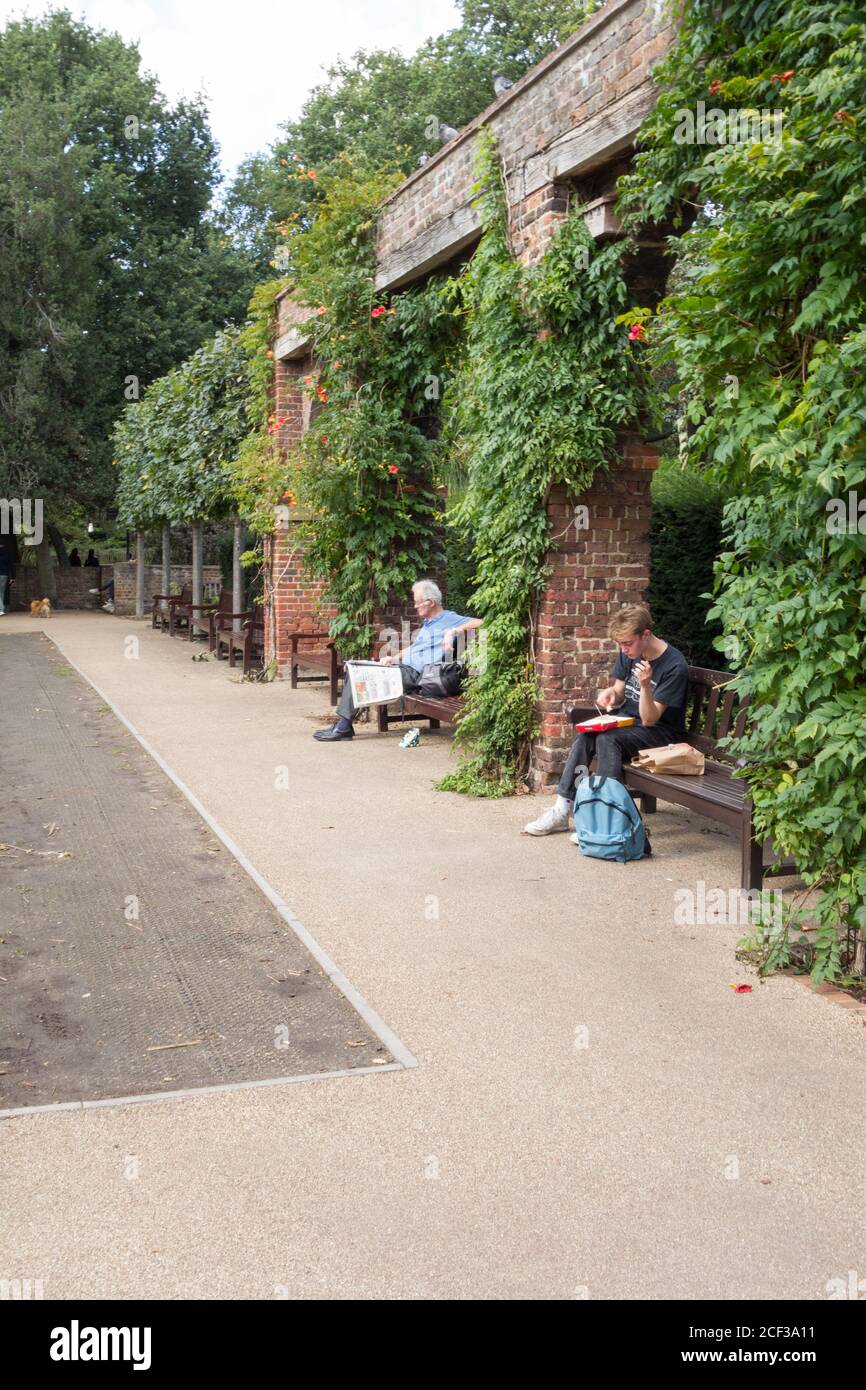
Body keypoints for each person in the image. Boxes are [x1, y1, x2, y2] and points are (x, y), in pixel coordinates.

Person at [524, 602, 689, 835]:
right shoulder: (631, 652)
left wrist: (645, 686)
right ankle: (563, 809)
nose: (623, 649)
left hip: (662, 735)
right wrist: (611, 693)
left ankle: (604, 817)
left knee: (607, 740)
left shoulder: (674, 665)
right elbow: (619, 689)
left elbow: (650, 719)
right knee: (587, 735)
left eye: (628, 643)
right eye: (620, 644)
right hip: (629, 725)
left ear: (646, 634)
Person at [313, 579, 482, 742]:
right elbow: (415, 648)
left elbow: (483, 622)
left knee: (360, 675)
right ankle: (344, 724)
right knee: (353, 669)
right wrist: (394, 657)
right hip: (403, 668)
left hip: (417, 675)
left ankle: (343, 727)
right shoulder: (429, 622)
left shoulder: (449, 618)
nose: (415, 606)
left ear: (430, 602)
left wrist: (453, 631)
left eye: (417, 602)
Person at [0, 542, 15, 615]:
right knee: (1, 592)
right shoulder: (7, 553)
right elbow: (12, 565)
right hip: (4, 575)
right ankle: (1, 609)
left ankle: (1, 609)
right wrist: (13, 577)